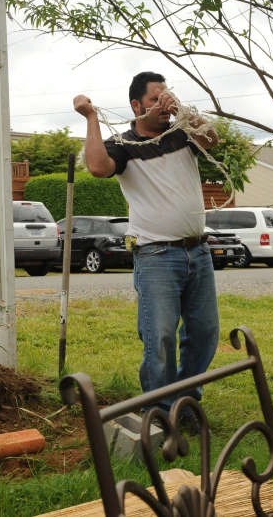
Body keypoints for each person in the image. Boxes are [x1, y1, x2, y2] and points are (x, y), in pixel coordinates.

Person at [73, 71, 221, 427]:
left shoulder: (181, 133)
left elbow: (212, 140)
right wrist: (91, 118)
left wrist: (183, 109)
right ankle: (158, 412)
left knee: (204, 332)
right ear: (136, 105)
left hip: (197, 252)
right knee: (161, 336)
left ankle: (184, 401)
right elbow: (96, 167)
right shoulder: (123, 145)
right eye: (156, 98)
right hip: (156, 256)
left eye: (166, 96)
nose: (163, 104)